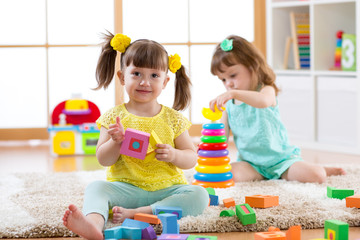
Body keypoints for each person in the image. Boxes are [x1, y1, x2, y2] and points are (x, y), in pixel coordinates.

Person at [62, 32, 209, 240]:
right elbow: (103, 159)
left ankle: (146, 212)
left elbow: (191, 157)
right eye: (137, 74)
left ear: (166, 81)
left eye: (154, 76)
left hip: (166, 189)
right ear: (122, 77)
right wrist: (116, 142)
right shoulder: (114, 116)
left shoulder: (173, 118)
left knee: (200, 195)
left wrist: (174, 155)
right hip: (125, 189)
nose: (145, 82)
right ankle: (93, 225)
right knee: (96, 188)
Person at [209, 35, 346, 184]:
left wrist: (234, 94)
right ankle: (263, 176)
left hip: (281, 161)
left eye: (233, 75)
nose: (228, 83)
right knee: (225, 174)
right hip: (251, 164)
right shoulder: (229, 104)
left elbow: (263, 102)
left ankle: (323, 169)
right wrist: (208, 145)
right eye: (223, 79)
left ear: (252, 66)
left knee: (317, 176)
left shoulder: (266, 90)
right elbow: (221, 137)